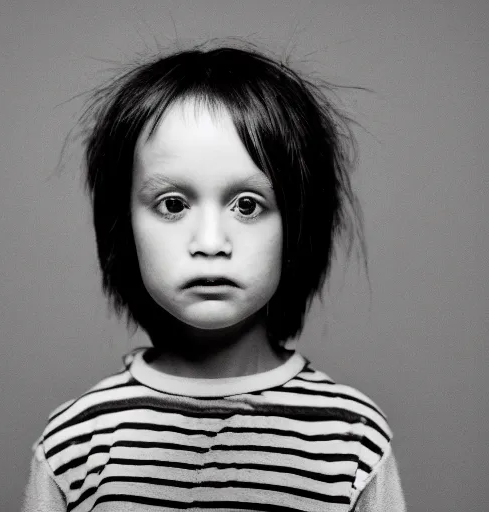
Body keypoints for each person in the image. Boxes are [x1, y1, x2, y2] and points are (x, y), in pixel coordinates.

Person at [22, 40, 406, 511]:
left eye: (247, 205)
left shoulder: (352, 442)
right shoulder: (75, 442)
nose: (209, 241)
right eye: (173, 204)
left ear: (298, 223)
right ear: (124, 226)